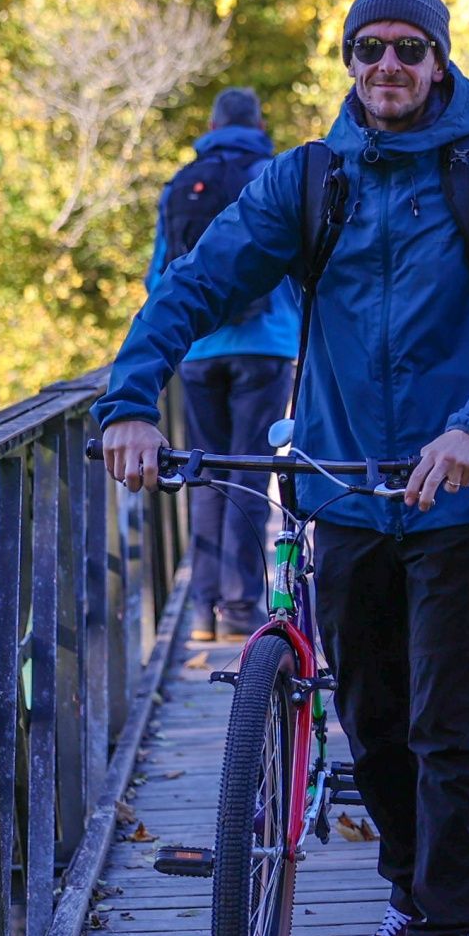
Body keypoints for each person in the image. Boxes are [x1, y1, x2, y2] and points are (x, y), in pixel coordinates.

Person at [95, 0, 469, 936]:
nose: (388, 66)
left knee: (449, 721)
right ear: (350, 63)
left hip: (461, 492)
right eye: (369, 49)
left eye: (409, 48)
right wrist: (129, 399)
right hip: (344, 488)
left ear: (441, 61)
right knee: (370, 717)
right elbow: (194, 283)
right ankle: (410, 899)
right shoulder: (308, 181)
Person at [146, 87, 300, 644]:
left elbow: (160, 275)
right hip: (264, 346)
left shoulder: (180, 183)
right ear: (258, 124)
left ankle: (200, 613)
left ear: (212, 126)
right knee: (250, 472)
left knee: (204, 471)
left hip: (197, 350)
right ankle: (239, 609)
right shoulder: (275, 176)